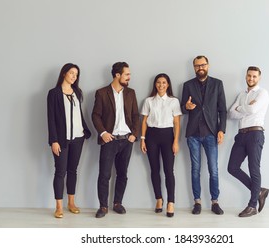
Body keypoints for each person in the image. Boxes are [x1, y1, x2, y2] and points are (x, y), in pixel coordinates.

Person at [92, 62, 140, 218]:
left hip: (127, 140)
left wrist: (134, 134)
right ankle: (103, 207)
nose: (129, 77)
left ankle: (117, 203)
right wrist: (103, 132)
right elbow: (96, 115)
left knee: (122, 174)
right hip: (109, 140)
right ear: (117, 75)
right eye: (127, 74)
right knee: (104, 174)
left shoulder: (131, 93)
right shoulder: (101, 93)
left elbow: (135, 116)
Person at [181, 55, 227, 215]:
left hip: (211, 133)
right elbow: (182, 108)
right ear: (194, 67)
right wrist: (186, 106)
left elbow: (222, 110)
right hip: (193, 133)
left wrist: (221, 130)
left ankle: (215, 202)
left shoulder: (217, 84)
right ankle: (197, 202)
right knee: (195, 169)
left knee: (213, 169)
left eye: (203, 65)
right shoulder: (187, 85)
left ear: (208, 65)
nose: (200, 68)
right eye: (197, 65)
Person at [47, 63, 91, 218]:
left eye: (76, 74)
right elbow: (51, 119)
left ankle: (71, 202)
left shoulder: (77, 92)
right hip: (62, 139)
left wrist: (85, 132)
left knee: (73, 170)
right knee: (60, 171)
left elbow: (79, 114)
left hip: (78, 137)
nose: (74, 76)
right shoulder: (54, 93)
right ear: (64, 73)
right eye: (72, 73)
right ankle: (58, 206)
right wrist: (54, 140)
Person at [227, 66, 269, 217]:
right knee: (232, 167)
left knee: (254, 168)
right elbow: (231, 114)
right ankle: (259, 191)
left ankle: (252, 206)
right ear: (245, 76)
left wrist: (240, 109)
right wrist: (244, 107)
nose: (251, 78)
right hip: (241, 135)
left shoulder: (262, 93)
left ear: (259, 78)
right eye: (249, 76)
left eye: (254, 76)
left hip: (255, 133)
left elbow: (252, 111)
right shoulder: (241, 94)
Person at [140, 73, 182, 217]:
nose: (161, 85)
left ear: (168, 84)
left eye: (164, 82)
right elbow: (144, 121)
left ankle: (171, 202)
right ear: (155, 84)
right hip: (151, 136)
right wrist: (142, 139)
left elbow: (177, 123)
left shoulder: (174, 101)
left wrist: (176, 141)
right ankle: (159, 199)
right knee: (154, 170)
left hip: (168, 136)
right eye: (158, 82)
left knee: (169, 171)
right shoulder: (149, 101)